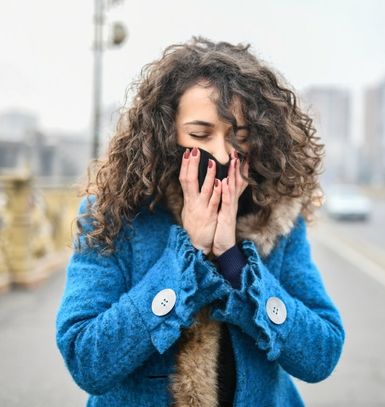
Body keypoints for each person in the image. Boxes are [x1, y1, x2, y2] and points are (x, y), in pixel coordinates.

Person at [55, 36, 345, 407]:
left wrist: (233, 262)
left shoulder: (276, 218)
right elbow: (87, 363)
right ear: (165, 134)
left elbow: (321, 355)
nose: (222, 153)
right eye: (200, 134)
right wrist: (185, 256)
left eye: (239, 137)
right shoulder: (113, 214)